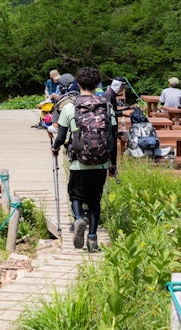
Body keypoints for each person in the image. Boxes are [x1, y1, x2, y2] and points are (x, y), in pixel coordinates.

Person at [50, 67, 121, 253]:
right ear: (97, 85)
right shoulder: (107, 106)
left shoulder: (70, 108)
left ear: (78, 84)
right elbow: (113, 138)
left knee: (75, 195)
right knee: (95, 200)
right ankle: (92, 238)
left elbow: (60, 136)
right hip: (101, 162)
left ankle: (79, 218)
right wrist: (113, 164)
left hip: (78, 162)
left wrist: (55, 148)